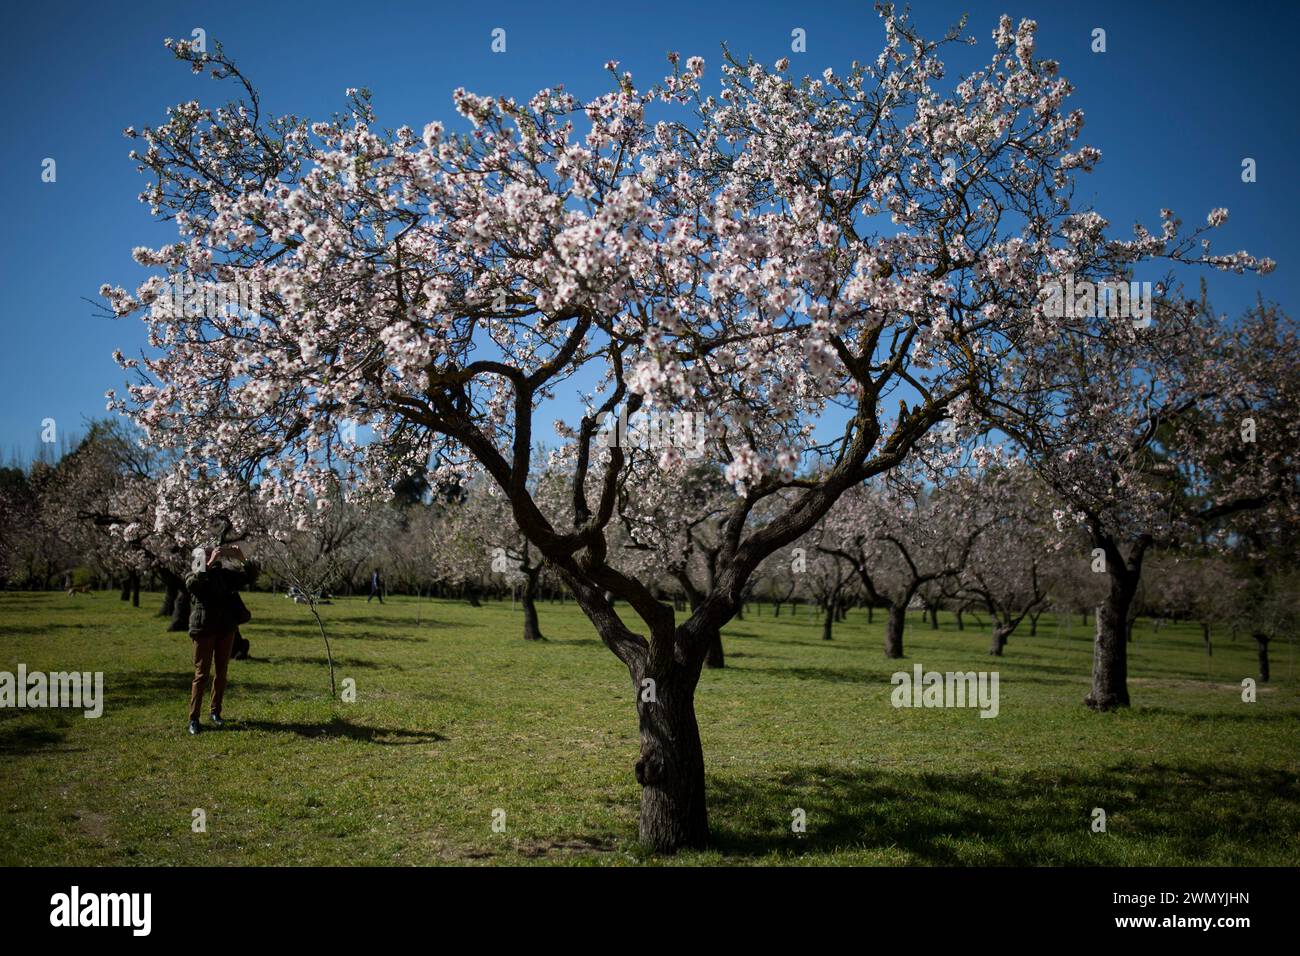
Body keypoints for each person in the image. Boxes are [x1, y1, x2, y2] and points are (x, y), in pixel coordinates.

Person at [184, 544, 254, 735]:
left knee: (221, 672)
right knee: (201, 674)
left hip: (226, 627)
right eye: (205, 553)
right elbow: (194, 585)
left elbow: (250, 577)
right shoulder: (194, 573)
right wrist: (209, 562)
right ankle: (194, 718)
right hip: (204, 629)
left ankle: (216, 711)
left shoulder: (225, 574)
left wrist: (242, 558)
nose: (211, 554)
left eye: (212, 551)